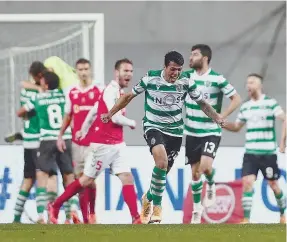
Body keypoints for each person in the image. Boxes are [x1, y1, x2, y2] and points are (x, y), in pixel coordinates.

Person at [101, 51, 226, 224]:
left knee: (162, 173)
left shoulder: (186, 82)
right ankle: (157, 210)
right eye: (172, 69)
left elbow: (202, 103)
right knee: (161, 162)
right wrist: (110, 113)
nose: (175, 73)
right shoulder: (151, 78)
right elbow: (129, 96)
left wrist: (217, 117)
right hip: (153, 127)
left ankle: (148, 197)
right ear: (165, 67)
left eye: (179, 70)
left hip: (175, 132)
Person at [48, 58, 142, 225]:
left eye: (131, 71)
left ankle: (136, 218)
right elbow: (113, 117)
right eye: (125, 71)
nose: (129, 74)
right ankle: (55, 205)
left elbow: (93, 111)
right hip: (103, 144)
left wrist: (84, 129)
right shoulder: (110, 90)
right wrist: (131, 123)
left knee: (127, 177)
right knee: (86, 181)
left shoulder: (116, 91)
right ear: (116, 73)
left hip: (117, 144)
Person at [183, 44, 241, 223]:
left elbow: (236, 98)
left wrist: (222, 116)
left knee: (206, 167)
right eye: (191, 54)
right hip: (191, 131)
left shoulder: (217, 79)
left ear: (205, 58)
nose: (191, 58)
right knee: (194, 174)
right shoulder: (186, 77)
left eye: (195, 54)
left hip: (210, 131)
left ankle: (211, 183)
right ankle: (197, 209)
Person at [224, 73, 286, 224]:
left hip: (268, 153)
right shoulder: (245, 107)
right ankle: (246, 219)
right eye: (247, 83)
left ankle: (283, 214)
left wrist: (282, 142)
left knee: (273, 185)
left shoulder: (270, 103)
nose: (248, 86)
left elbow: (285, 119)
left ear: (260, 85)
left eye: (251, 82)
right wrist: (222, 123)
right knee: (247, 182)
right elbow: (237, 127)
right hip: (250, 152)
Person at [16, 71, 77, 224]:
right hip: (65, 138)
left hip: (47, 140)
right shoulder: (65, 95)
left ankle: (41, 215)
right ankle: (71, 215)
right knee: (69, 177)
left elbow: (21, 112)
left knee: (42, 177)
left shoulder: (39, 97)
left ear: (46, 84)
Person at [57, 58, 101, 224]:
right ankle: (85, 218)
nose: (83, 72)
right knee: (81, 180)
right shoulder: (71, 92)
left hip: (93, 143)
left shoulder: (98, 90)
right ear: (76, 72)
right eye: (80, 69)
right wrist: (60, 135)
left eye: (86, 69)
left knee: (89, 180)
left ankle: (93, 213)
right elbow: (68, 116)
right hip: (77, 143)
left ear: (90, 70)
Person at [13, 62, 58, 224]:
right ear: (40, 77)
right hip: (41, 141)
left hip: (28, 142)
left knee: (28, 180)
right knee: (48, 177)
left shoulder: (26, 91)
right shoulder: (44, 94)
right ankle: (46, 215)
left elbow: (23, 85)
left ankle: (16, 218)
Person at [5, 56, 79, 143]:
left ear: (40, 76)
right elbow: (24, 83)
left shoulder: (66, 85)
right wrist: (38, 88)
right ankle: (24, 132)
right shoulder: (50, 61)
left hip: (73, 90)